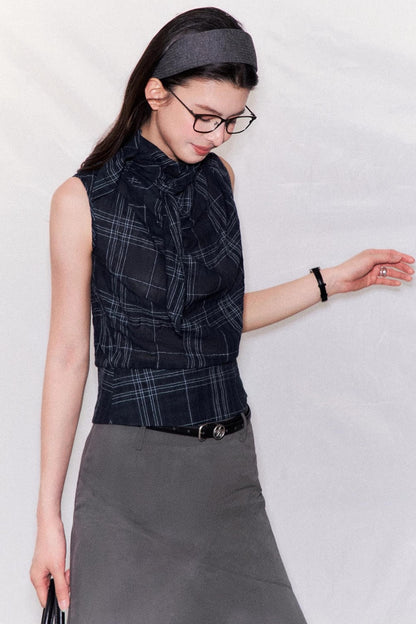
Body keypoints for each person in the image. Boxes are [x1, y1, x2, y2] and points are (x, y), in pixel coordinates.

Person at [30, 7, 414, 624]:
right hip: (133, 474)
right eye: (205, 116)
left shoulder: (218, 180)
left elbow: (216, 320)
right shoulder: (81, 200)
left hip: (228, 465)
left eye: (233, 120)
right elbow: (69, 355)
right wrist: (47, 517)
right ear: (156, 92)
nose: (218, 135)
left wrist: (331, 281)